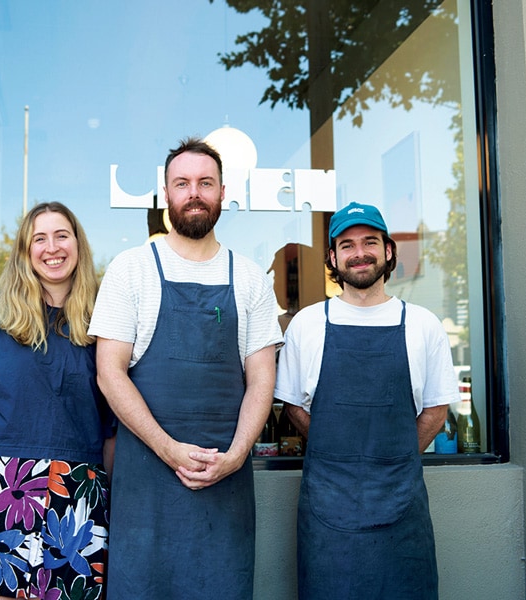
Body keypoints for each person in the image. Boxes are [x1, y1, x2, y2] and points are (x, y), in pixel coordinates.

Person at [90, 137, 283, 599]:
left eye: (205, 183)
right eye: (182, 183)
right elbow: (109, 373)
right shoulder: (130, 269)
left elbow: (262, 379)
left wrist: (236, 457)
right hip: (147, 485)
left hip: (226, 484)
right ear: (166, 193)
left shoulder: (250, 277)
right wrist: (168, 448)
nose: (194, 192)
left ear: (222, 193)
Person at [0, 202, 114, 599]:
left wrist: (108, 496)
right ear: (25, 252)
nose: (52, 247)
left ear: (78, 244)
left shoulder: (104, 321)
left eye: (62, 235)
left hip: (76, 489)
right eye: (38, 239)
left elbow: (110, 425)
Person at [275, 201, 460, 599]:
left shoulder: (423, 324)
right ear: (333, 257)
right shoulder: (307, 324)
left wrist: (393, 457)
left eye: (370, 242)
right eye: (347, 245)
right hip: (327, 508)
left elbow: (436, 410)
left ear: (388, 250)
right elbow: (292, 406)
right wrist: (334, 448)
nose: (359, 253)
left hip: (401, 505)